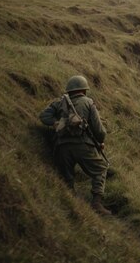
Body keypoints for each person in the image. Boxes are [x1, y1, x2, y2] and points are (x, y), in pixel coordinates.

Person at [39, 75, 111, 215]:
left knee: (67, 177)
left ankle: (71, 205)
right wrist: (100, 142)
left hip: (62, 147)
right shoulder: (88, 102)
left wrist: (56, 123)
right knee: (100, 169)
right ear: (84, 90)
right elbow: (99, 130)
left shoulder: (59, 102)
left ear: (69, 91)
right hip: (83, 145)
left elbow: (44, 116)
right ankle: (96, 203)